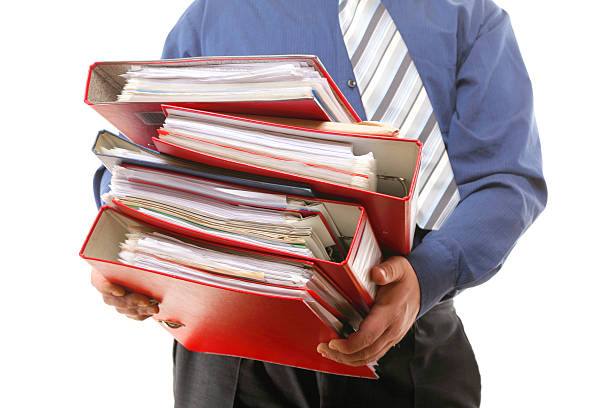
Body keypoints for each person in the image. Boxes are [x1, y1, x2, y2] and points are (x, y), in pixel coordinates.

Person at [91, 0, 547, 406]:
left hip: (406, 331)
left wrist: (425, 277)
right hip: (227, 346)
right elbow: (144, 151)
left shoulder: (471, 18)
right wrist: (127, 252)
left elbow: (505, 181)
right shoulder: (214, 13)